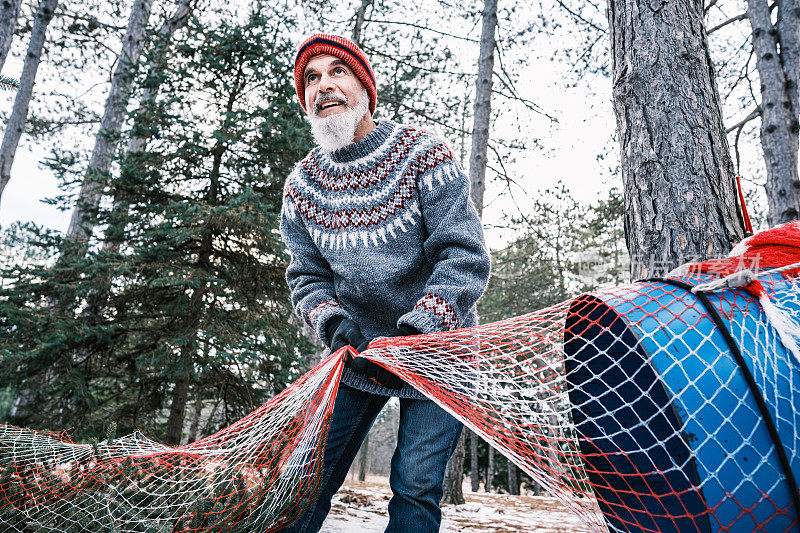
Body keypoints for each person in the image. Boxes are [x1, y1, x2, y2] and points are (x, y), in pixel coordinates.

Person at [278, 33, 491, 533]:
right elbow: (306, 275)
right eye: (311, 78)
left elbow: (463, 255)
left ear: (364, 87)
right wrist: (331, 322)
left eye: (337, 72)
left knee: (415, 486)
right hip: (355, 355)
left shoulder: (423, 154)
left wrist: (421, 328)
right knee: (308, 478)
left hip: (439, 351)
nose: (323, 85)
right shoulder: (302, 185)